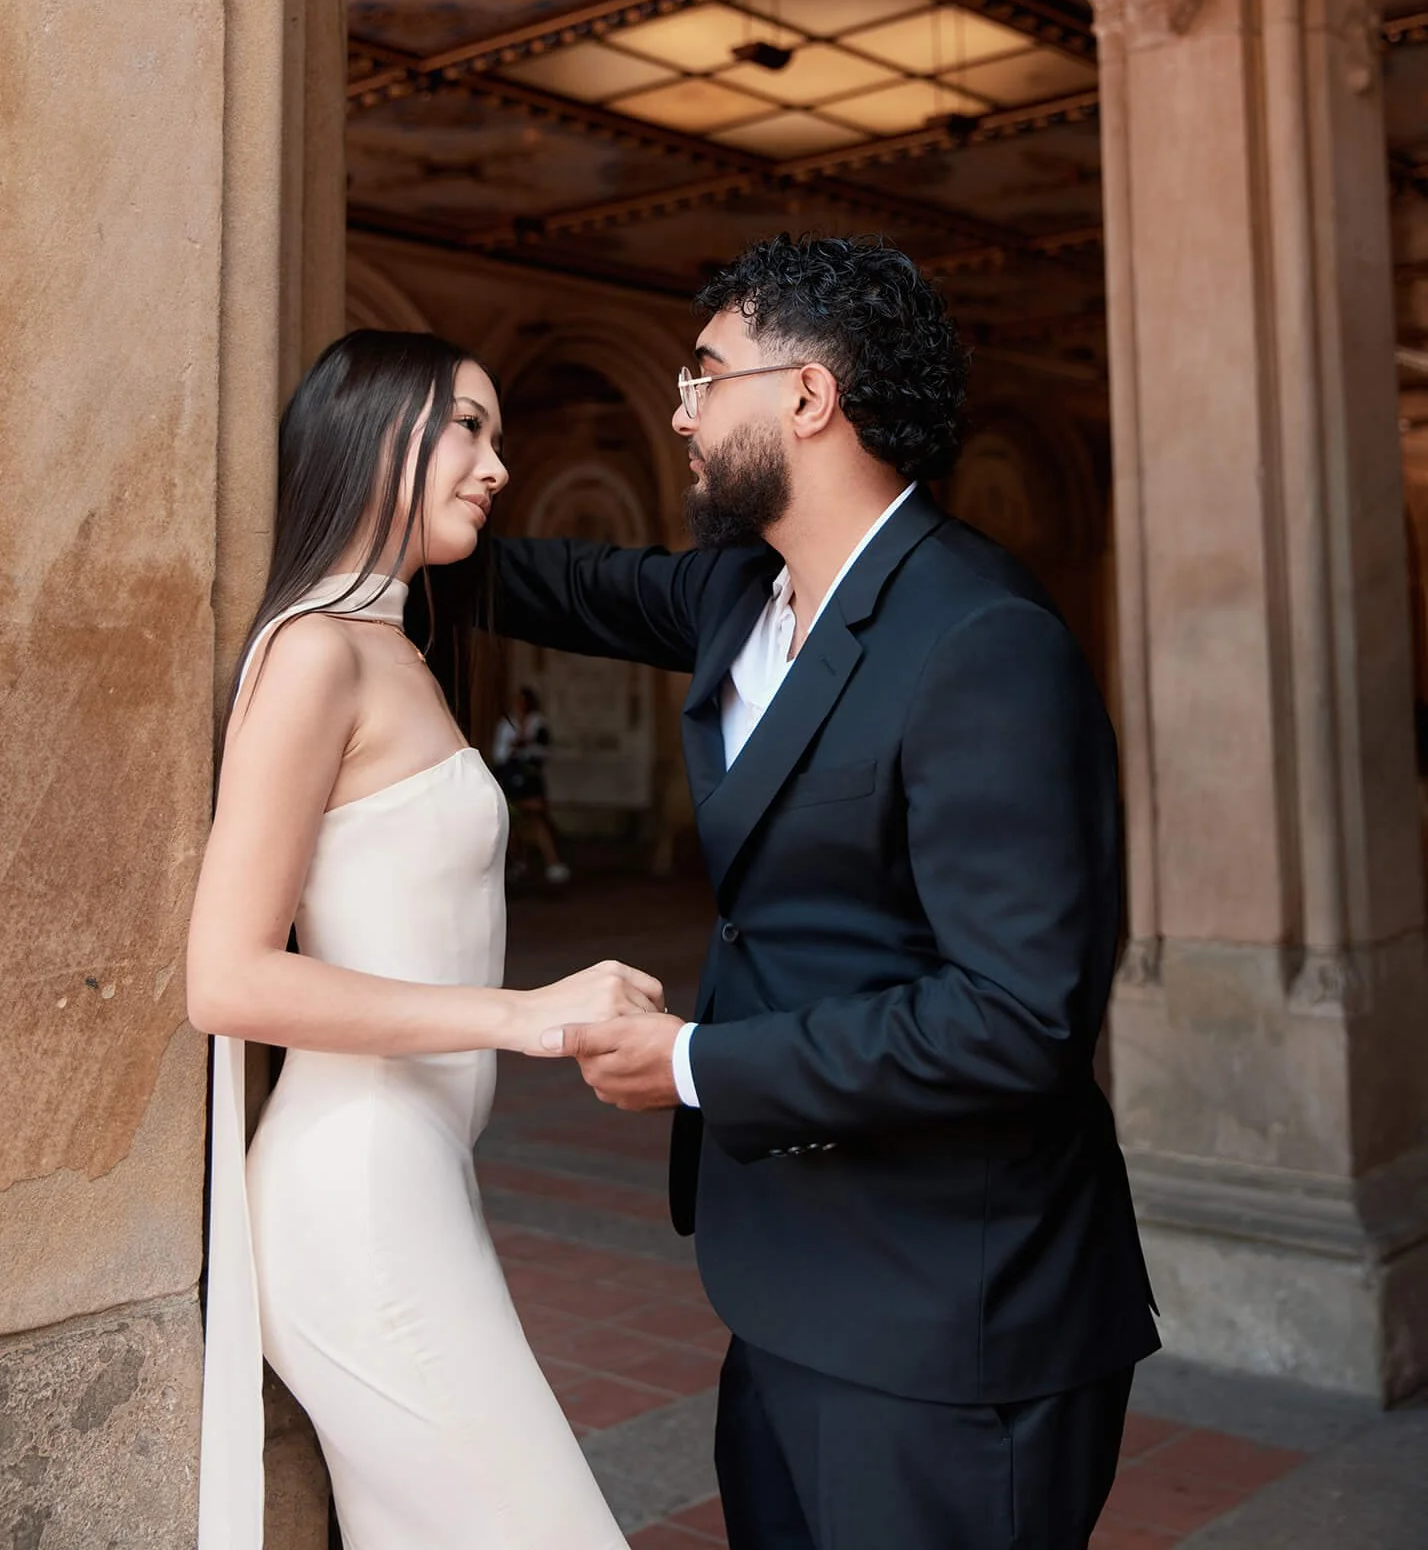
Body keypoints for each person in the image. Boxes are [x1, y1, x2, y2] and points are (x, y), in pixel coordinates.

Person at [459, 235, 1160, 1550]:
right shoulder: (741, 591)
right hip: (788, 1285)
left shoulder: (983, 640)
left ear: (807, 397)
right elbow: (550, 582)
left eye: (705, 373)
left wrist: (694, 1064)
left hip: (957, 1319)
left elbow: (1016, 1019)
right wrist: (383, 499)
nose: (678, 407)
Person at [187, 329, 658, 1550]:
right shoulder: (314, 650)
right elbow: (228, 975)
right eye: (470, 426)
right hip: (355, 1197)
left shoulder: (398, 645)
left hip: (422, 1178)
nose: (497, 463)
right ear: (368, 432)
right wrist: (529, 1012)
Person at [492, 685, 571, 888]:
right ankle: (518, 863)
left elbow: (544, 750)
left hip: (530, 777)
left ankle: (552, 863)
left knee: (537, 817)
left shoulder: (538, 723)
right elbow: (500, 753)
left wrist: (526, 745)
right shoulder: (506, 725)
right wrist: (514, 747)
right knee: (513, 822)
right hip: (511, 775)